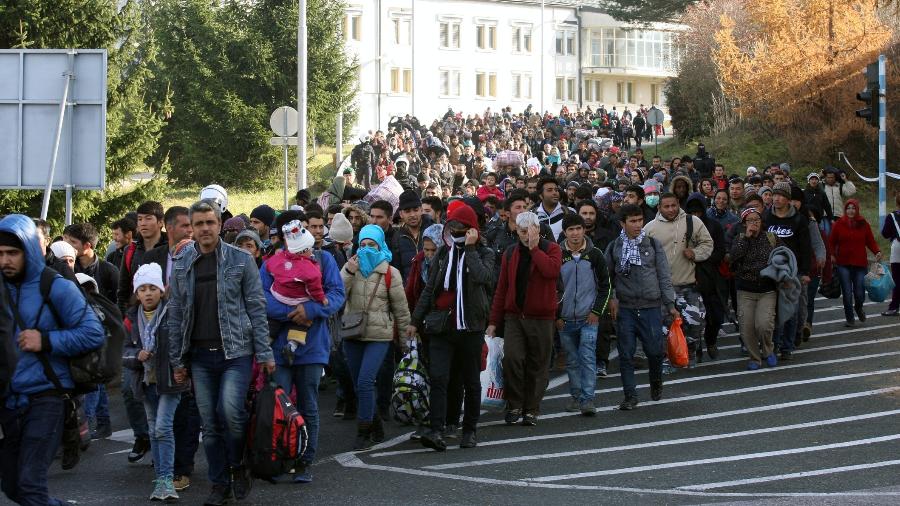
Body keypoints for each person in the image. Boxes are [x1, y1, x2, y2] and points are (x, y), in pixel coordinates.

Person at [167, 200, 276, 505]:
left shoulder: (241, 260)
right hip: (200, 356)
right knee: (210, 426)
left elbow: (257, 308)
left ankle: (239, 466)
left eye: (209, 223)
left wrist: (265, 354)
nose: (204, 229)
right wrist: (178, 360)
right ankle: (219, 484)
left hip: (236, 352)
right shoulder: (182, 263)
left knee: (230, 413)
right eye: (198, 224)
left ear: (219, 224)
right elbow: (176, 313)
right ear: (192, 227)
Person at [0, 215, 105, 506]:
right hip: (9, 400)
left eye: (12, 253)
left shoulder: (54, 286)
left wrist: (45, 340)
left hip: (47, 397)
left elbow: (93, 333)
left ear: (29, 251)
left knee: (30, 486)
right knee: (12, 486)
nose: (5, 260)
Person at [408, 204, 494, 450]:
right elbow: (430, 288)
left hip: (471, 326)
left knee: (470, 380)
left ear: (472, 230)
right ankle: (437, 429)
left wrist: (470, 249)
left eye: (462, 228)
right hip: (442, 326)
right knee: (439, 377)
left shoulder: (484, 253)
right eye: (452, 227)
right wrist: (415, 320)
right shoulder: (444, 254)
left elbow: (484, 277)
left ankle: (470, 430)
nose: (456, 231)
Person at [486, 211, 562, 426]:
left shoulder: (552, 249)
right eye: (522, 231)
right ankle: (515, 404)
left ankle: (531, 409)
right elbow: (502, 288)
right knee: (512, 359)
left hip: (542, 318)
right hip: (514, 317)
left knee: (538, 364)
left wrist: (535, 249)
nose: (526, 235)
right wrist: (493, 321)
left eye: (530, 230)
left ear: (538, 229)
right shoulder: (510, 253)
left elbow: (551, 271)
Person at [122, 263, 189, 501]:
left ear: (162, 290)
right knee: (153, 429)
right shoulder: (131, 319)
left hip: (170, 381)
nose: (148, 293)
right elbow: (125, 353)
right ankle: (160, 479)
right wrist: (136, 355)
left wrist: (183, 367)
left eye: (153, 288)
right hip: (145, 381)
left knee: (162, 427)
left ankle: (167, 479)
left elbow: (183, 343)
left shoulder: (172, 312)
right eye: (142, 289)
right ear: (136, 293)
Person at [340, 224, 410, 450]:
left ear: (381, 245)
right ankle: (375, 422)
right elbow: (337, 296)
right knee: (358, 384)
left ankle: (363, 431)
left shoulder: (391, 273)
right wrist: (349, 272)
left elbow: (401, 309)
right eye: (363, 245)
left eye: (372, 245)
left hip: (379, 335)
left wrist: (406, 340)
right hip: (352, 333)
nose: (367, 249)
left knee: (366, 381)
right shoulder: (351, 267)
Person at [606, 204, 677, 410]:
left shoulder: (653, 245)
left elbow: (664, 276)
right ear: (623, 223)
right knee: (626, 354)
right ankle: (630, 396)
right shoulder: (614, 247)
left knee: (654, 352)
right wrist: (612, 298)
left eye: (640, 220)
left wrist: (670, 304)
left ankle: (656, 382)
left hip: (651, 307)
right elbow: (607, 277)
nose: (638, 225)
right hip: (626, 308)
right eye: (633, 221)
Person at [643, 192, 713, 368]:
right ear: (659, 208)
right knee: (664, 327)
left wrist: (695, 253)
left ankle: (689, 353)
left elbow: (707, 243)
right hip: (661, 288)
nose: (671, 209)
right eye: (666, 206)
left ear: (678, 204)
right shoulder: (649, 228)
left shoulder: (693, 222)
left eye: (673, 205)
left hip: (688, 285)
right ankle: (668, 359)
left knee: (695, 323)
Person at [557, 214, 610, 415]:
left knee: (588, 358)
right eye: (570, 229)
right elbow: (551, 288)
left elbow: (605, 286)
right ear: (564, 232)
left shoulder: (595, 254)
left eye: (578, 228)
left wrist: (597, 311)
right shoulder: (558, 254)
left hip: (589, 318)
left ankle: (588, 399)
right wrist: (557, 316)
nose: (575, 233)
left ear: (584, 230)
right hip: (566, 319)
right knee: (572, 360)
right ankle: (576, 396)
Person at [267, 221, 328, 363]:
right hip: (297, 301)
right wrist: (321, 299)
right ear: (305, 249)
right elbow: (315, 289)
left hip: (278, 294)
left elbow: (269, 266)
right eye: (310, 248)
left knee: (273, 322)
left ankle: (266, 340)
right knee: (302, 322)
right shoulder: (310, 268)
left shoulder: (279, 258)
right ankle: (292, 344)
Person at [764, 183, 811, 360]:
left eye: (781, 195)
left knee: (790, 308)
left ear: (788, 199)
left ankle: (787, 346)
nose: (776, 198)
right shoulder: (767, 217)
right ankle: (774, 344)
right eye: (774, 195)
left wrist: (805, 272)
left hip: (794, 270)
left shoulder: (798, 220)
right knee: (773, 308)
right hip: (772, 269)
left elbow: (806, 248)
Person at [730, 208, 780, 369]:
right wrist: (746, 238)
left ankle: (768, 350)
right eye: (750, 220)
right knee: (747, 327)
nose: (754, 223)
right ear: (744, 223)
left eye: (756, 220)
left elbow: (783, 255)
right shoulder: (739, 239)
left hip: (767, 289)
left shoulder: (771, 237)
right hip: (746, 290)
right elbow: (733, 258)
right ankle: (754, 357)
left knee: (764, 325)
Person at [828, 199, 881, 327]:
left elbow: (870, 241)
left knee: (859, 293)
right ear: (845, 210)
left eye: (853, 208)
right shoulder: (839, 224)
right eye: (848, 208)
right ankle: (850, 318)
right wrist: (832, 255)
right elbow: (831, 242)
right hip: (843, 263)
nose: (851, 211)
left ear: (857, 210)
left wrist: (877, 251)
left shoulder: (864, 224)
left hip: (860, 264)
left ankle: (858, 307)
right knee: (846, 292)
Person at [63, 223, 119, 303]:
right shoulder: (65, 266)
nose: (68, 245)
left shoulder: (109, 271)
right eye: (65, 239)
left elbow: (119, 303)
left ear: (87, 246)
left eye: (73, 242)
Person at [882, 191, 900, 317]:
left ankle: (894, 307)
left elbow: (885, 234)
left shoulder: (891, 216)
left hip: (897, 248)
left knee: (897, 279)